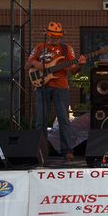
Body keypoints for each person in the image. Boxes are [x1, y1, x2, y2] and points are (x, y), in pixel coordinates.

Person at [25, 21, 86, 160]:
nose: (55, 39)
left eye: (57, 36)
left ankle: (67, 150)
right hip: (42, 87)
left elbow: (73, 71)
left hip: (61, 88)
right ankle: (40, 151)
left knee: (64, 120)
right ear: (47, 34)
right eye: (52, 36)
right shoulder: (40, 47)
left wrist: (80, 65)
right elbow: (27, 65)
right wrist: (37, 63)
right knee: (40, 120)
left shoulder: (66, 49)